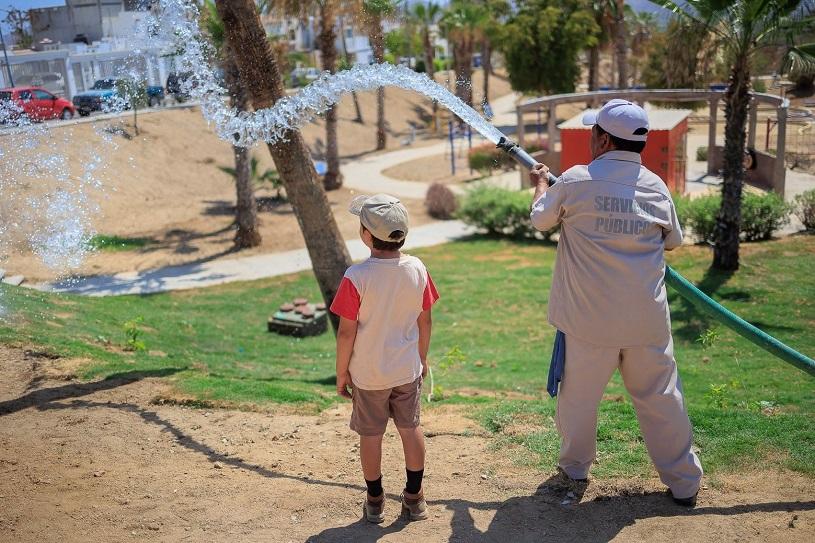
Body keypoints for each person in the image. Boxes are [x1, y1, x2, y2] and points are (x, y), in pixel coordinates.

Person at [528, 99, 704, 506]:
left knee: (579, 401)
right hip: (646, 320)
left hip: (590, 324)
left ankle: (574, 471)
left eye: (593, 132)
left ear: (603, 138)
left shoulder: (575, 179)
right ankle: (685, 483)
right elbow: (673, 240)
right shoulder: (655, 186)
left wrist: (541, 183)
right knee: (662, 399)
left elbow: (540, 218)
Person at [330, 193, 440, 523]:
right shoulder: (417, 269)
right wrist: (422, 359)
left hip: (368, 375)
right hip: (406, 370)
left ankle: (375, 501)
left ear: (366, 235)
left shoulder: (356, 277)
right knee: (411, 428)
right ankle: (415, 498)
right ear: (402, 234)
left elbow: (346, 333)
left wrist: (341, 374)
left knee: (371, 435)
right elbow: (425, 320)